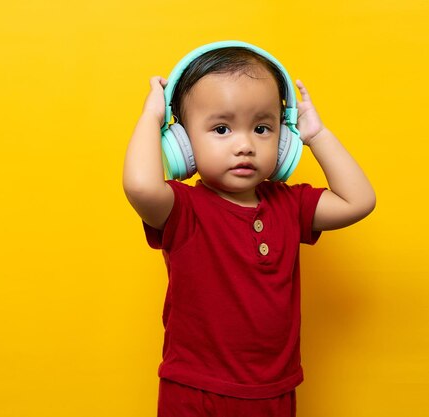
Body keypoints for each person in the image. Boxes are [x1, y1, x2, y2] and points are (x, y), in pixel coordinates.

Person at [122, 41, 375, 417]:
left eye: (262, 128)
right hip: (195, 389)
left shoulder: (290, 205)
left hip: (274, 390)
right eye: (222, 129)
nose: (245, 145)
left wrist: (318, 136)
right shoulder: (183, 209)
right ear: (182, 144)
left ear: (284, 140)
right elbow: (141, 186)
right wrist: (150, 120)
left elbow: (359, 201)